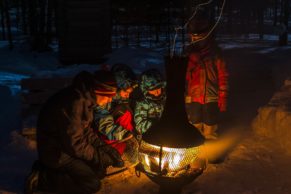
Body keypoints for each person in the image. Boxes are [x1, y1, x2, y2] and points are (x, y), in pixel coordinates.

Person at [25, 71, 124, 194]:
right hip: (56, 152)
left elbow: (86, 131)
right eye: (108, 96)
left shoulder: (86, 100)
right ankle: (43, 179)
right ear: (99, 91)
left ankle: (50, 172)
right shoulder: (74, 103)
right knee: (92, 184)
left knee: (99, 170)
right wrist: (98, 156)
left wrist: (104, 148)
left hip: (65, 146)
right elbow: (75, 143)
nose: (109, 101)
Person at [185, 10, 229, 140]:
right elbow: (184, 77)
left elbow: (223, 76)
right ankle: (195, 146)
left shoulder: (215, 53)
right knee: (194, 121)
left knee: (210, 122)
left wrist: (223, 96)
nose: (197, 41)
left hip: (211, 96)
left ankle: (211, 146)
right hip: (193, 96)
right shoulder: (188, 54)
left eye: (200, 38)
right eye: (194, 38)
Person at [93, 64, 137, 155]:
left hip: (120, 136)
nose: (127, 95)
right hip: (105, 138)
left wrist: (133, 134)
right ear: (117, 87)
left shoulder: (122, 100)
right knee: (123, 111)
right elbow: (104, 125)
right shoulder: (103, 99)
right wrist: (124, 134)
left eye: (129, 92)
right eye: (126, 92)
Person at [134, 68, 166, 135]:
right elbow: (140, 125)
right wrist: (157, 125)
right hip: (151, 135)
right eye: (153, 90)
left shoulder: (165, 99)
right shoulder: (142, 103)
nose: (157, 92)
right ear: (146, 90)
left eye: (159, 88)